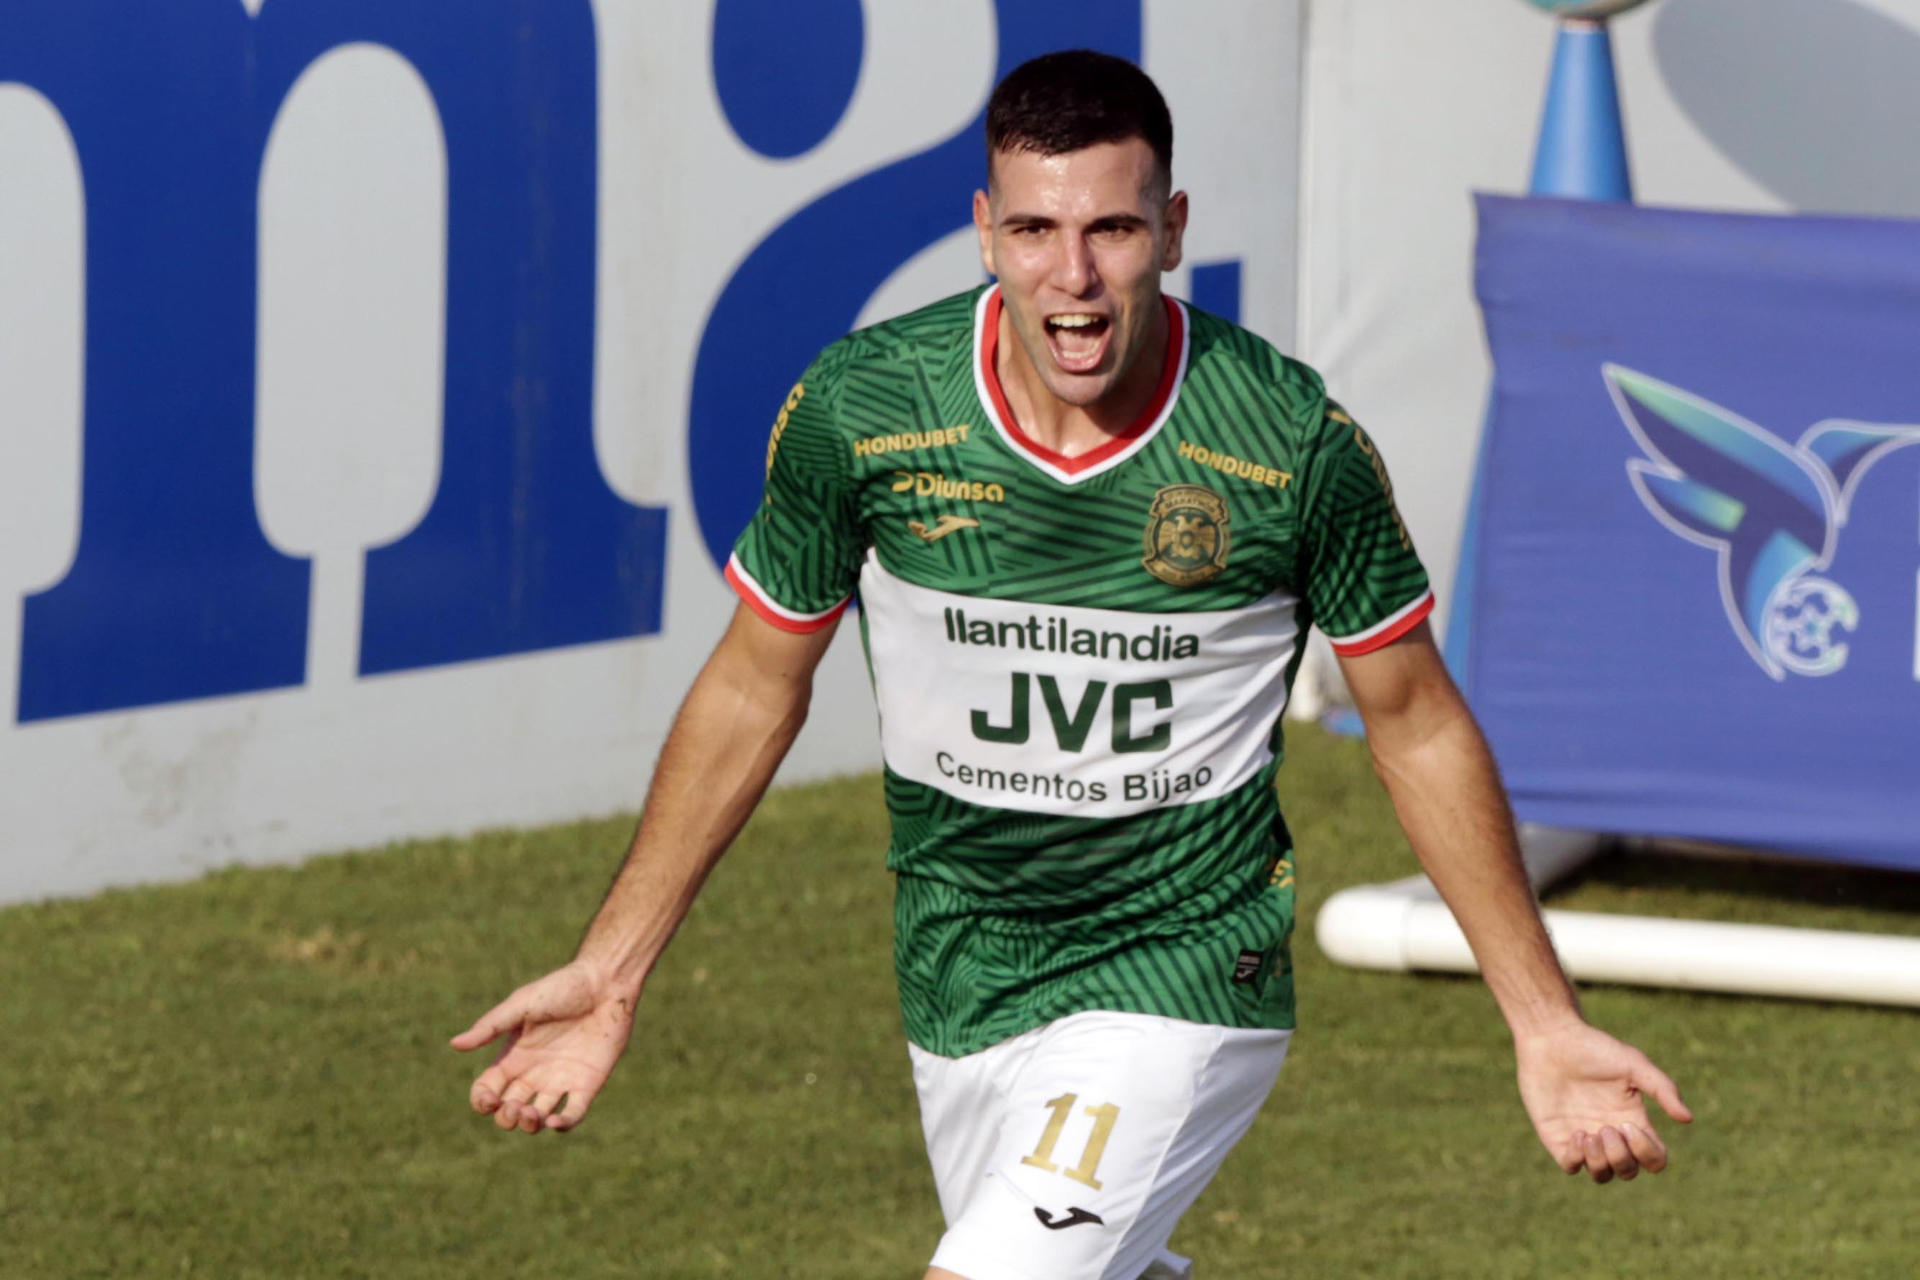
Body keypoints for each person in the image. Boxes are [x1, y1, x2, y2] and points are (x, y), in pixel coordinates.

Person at [452, 49, 1691, 1280]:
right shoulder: (866, 408)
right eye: (1037, 228)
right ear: (986, 232)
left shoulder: (1287, 442)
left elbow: (1416, 721)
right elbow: (751, 682)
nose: (1076, 276)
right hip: (959, 971)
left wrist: (1543, 1017)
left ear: (1174, 227)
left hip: (1183, 966)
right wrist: (610, 972)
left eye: (1113, 226)